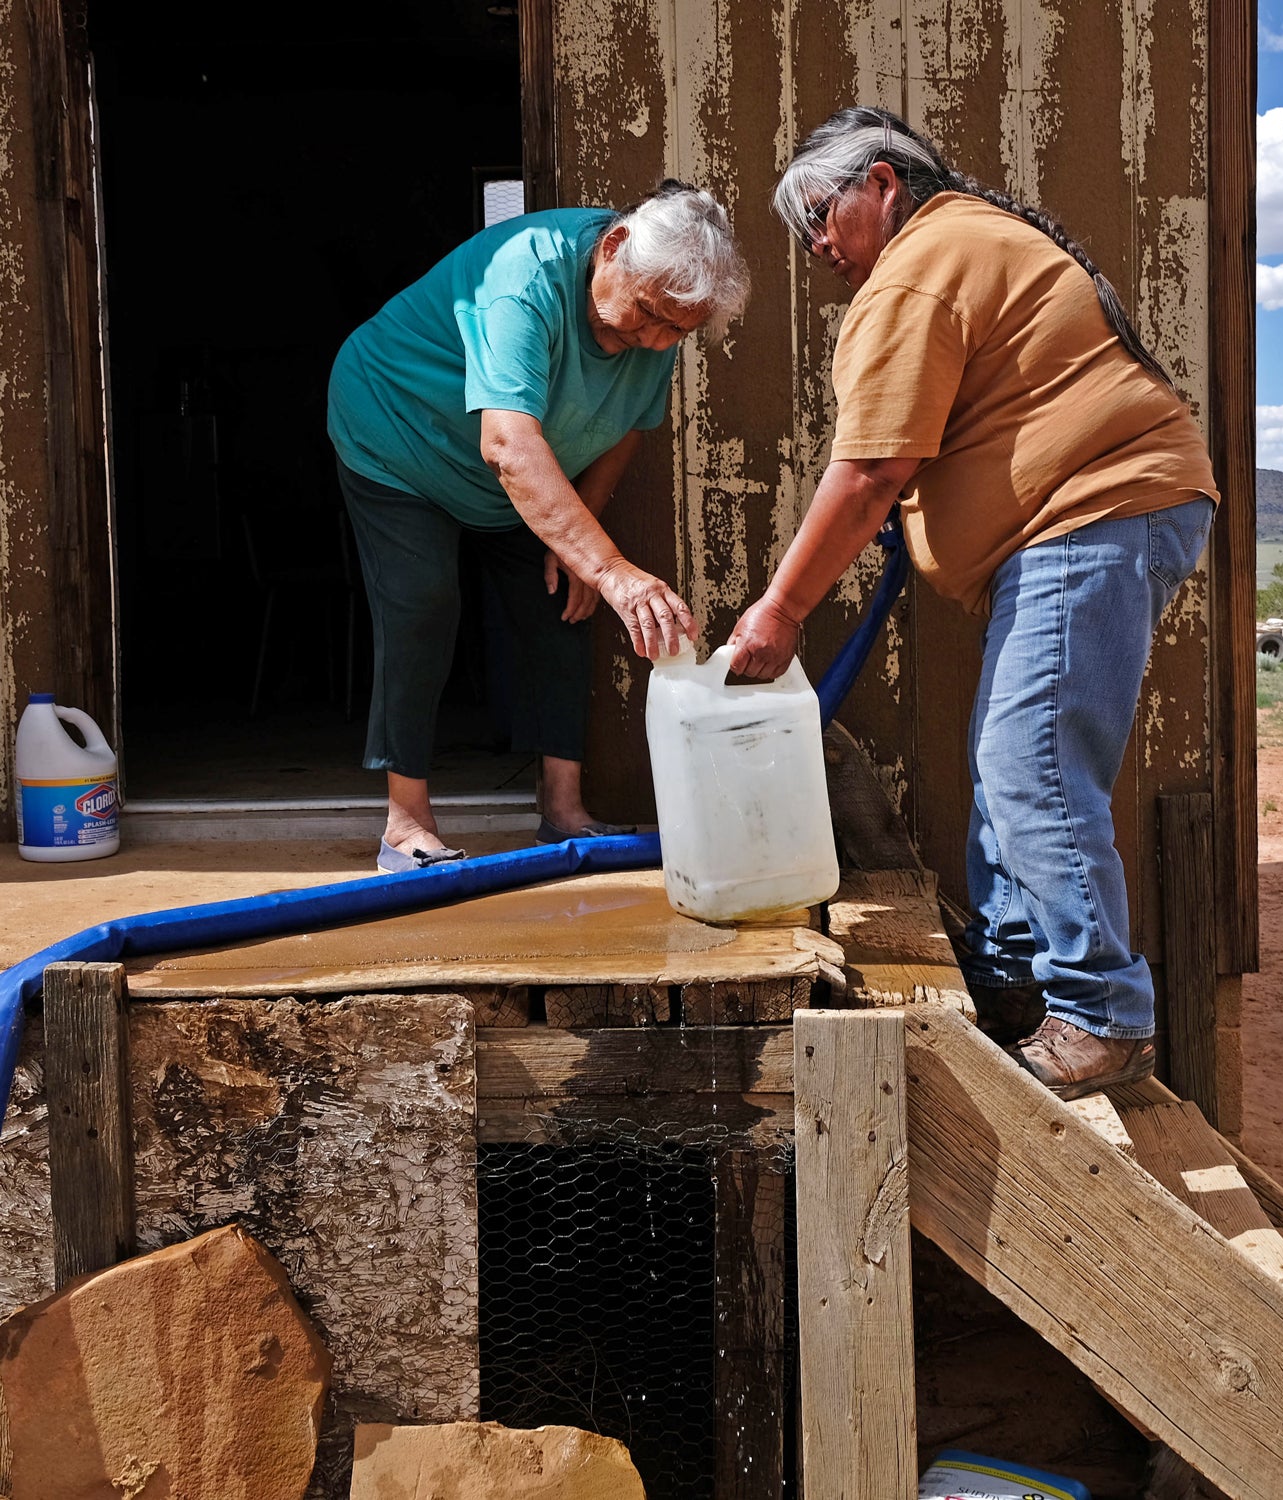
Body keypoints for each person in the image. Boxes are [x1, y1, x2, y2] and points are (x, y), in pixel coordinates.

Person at [728, 109, 1219, 1098]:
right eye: (803, 232)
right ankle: (1008, 982)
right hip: (1089, 520)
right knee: (1010, 759)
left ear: (882, 186)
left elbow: (869, 471)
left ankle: (1098, 1013)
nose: (817, 245)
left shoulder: (916, 268)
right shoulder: (958, 248)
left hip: (1092, 513)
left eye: (821, 215)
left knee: (1027, 761)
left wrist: (779, 610)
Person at [329, 182, 748, 871]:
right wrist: (611, 567)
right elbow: (508, 446)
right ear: (613, 248)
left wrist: (587, 545)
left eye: (678, 331)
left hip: (515, 470)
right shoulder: (525, 277)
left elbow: (627, 425)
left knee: (568, 600)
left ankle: (563, 811)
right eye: (647, 317)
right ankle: (405, 824)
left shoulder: (662, 305)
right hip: (398, 433)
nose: (655, 340)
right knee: (421, 599)